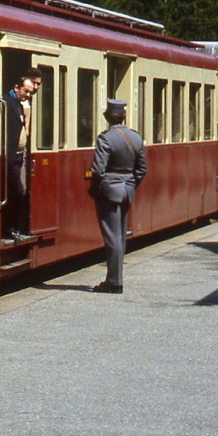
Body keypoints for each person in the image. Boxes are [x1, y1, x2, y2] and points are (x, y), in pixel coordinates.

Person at [88, 99, 146, 293]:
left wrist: (95, 190)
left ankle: (114, 281)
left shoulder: (105, 139)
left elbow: (98, 170)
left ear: (107, 117)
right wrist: (131, 184)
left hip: (109, 192)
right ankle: (116, 278)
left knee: (112, 237)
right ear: (124, 116)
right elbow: (142, 169)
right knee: (120, 237)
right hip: (127, 191)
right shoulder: (135, 138)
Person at [1, 75, 35, 243]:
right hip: (11, 156)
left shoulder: (18, 104)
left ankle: (13, 229)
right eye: (25, 91)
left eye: (30, 92)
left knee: (18, 193)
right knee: (17, 193)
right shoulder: (7, 103)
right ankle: (10, 229)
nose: (28, 95)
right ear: (16, 88)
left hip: (17, 156)